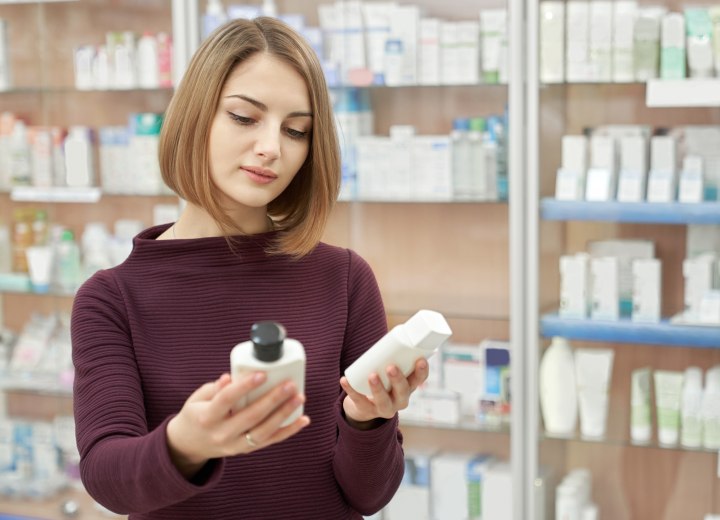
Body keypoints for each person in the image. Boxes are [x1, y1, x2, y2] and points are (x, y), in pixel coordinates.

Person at [71, 16, 429, 520]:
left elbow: (371, 496)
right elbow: (108, 479)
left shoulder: (343, 278)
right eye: (244, 117)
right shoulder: (112, 298)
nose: (272, 148)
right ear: (197, 115)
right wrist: (185, 443)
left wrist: (365, 420)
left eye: (296, 130)